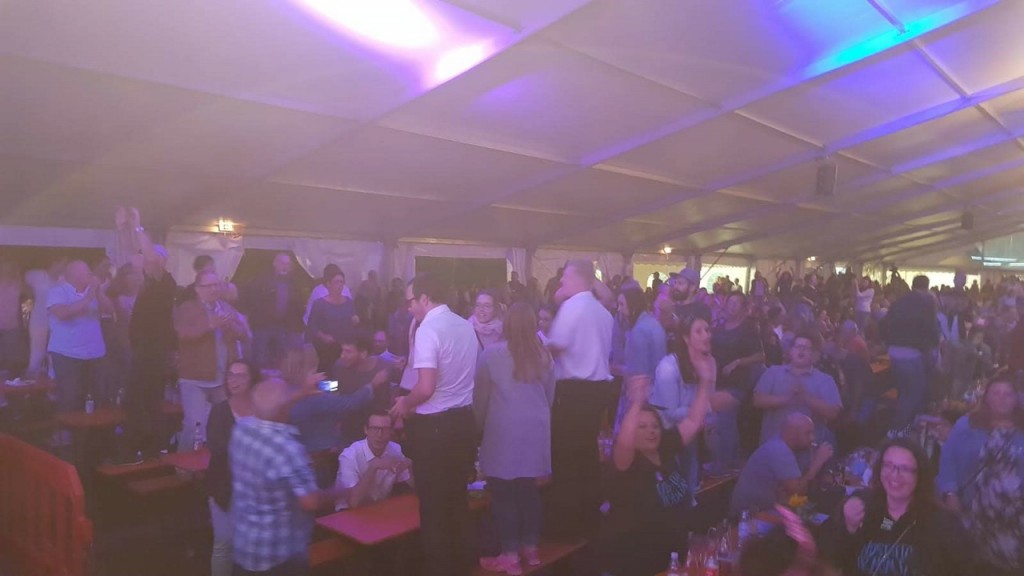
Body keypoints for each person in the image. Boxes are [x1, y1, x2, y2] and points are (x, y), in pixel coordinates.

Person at [388, 273, 479, 576]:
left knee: (434, 508)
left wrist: (405, 403)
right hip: (463, 422)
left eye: (411, 301)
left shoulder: (428, 329)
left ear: (425, 298)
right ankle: (463, 566)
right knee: (458, 500)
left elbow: (426, 388)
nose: (409, 307)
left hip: (436, 428)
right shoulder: (465, 325)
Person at [230, 377, 351, 576]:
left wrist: (300, 392)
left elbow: (270, 409)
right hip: (278, 557)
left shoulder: (241, 429)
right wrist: (342, 491)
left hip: (245, 548)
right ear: (285, 409)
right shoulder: (288, 449)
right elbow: (311, 502)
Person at [474, 302, 556, 575]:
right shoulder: (544, 356)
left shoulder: (491, 355)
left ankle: (509, 555)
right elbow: (550, 395)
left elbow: (481, 399)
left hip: (503, 430)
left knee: (503, 493)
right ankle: (530, 548)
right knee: (528, 489)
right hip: (536, 428)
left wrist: (478, 430)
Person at [604, 372, 711, 576]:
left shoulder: (665, 448)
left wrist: (705, 381)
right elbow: (624, 442)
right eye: (642, 427)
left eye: (655, 426)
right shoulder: (627, 462)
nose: (651, 431)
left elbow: (693, 421)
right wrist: (636, 402)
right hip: (637, 559)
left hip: (673, 552)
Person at [819, 438, 971, 576]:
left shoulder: (943, 523)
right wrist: (849, 528)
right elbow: (831, 559)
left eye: (905, 469)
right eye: (888, 466)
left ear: (920, 476)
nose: (894, 475)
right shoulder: (861, 506)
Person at [544, 260, 613, 541]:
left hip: (574, 391)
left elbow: (556, 345)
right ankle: (590, 521)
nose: (561, 281)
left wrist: (539, 342)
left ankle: (568, 528)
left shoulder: (573, 306)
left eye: (565, 276)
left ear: (579, 278)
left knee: (566, 459)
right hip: (597, 391)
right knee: (587, 456)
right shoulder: (603, 312)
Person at [938, 378, 1024, 575]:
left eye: (1008, 394)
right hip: (972, 515)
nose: (1002, 398)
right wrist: (949, 493)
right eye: (996, 393)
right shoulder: (967, 426)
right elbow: (948, 460)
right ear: (986, 398)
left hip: (1014, 521)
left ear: (1016, 400)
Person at [119, 216, 180, 462]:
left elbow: (149, 258)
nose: (142, 261)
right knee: (142, 399)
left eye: (148, 258)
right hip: (144, 350)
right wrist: (124, 229)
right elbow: (131, 254)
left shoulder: (165, 282)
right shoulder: (147, 284)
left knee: (144, 399)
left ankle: (145, 447)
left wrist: (137, 226)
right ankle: (149, 447)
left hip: (153, 351)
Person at [175, 270, 251, 453]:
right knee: (194, 425)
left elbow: (245, 336)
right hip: (194, 378)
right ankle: (183, 463)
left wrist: (232, 326)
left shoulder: (225, 307)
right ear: (197, 288)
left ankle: (215, 461)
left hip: (222, 378)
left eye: (216, 285)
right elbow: (183, 334)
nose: (213, 289)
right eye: (208, 286)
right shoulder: (187, 308)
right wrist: (210, 326)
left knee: (223, 424)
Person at [206, 359, 257, 576]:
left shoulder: (260, 409)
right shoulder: (219, 411)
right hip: (224, 485)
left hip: (254, 488)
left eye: (240, 375)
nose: (234, 380)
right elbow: (217, 447)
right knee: (224, 543)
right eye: (230, 375)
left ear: (252, 379)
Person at [730, 413, 834, 516]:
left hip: (768, 508)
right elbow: (797, 492)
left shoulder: (787, 444)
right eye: (807, 433)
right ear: (792, 434)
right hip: (749, 515)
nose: (812, 438)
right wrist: (818, 461)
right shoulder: (779, 451)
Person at [47, 259, 113, 416]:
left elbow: (110, 310)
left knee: (96, 397)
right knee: (70, 398)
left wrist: (98, 292)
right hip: (67, 354)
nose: (90, 274)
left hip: (95, 353)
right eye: (86, 271)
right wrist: (88, 299)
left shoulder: (93, 292)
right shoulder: (58, 292)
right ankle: (66, 430)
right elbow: (62, 313)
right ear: (73, 275)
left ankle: (93, 430)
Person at [753, 333, 842, 446]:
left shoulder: (825, 380)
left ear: (814, 354)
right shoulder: (773, 372)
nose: (801, 350)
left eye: (806, 348)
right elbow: (757, 401)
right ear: (790, 351)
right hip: (773, 446)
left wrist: (806, 397)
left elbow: (833, 413)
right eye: (798, 346)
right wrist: (787, 398)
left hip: (809, 448)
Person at [711, 292, 765, 470]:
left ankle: (725, 463)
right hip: (717, 380)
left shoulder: (748, 329)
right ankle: (726, 460)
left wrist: (738, 362)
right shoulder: (719, 325)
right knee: (719, 419)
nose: (731, 306)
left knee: (724, 415)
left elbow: (760, 356)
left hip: (738, 382)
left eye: (736, 303)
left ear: (743, 308)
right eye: (730, 302)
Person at [879, 275, 939, 431]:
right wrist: (934, 345)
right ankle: (897, 430)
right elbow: (931, 328)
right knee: (914, 393)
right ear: (927, 287)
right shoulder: (926, 302)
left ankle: (905, 428)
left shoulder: (899, 302)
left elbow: (883, 324)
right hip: (912, 352)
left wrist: (888, 342)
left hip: (894, 351)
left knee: (904, 391)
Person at [335, 410, 413, 510]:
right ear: (366, 430)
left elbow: (412, 488)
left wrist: (410, 467)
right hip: (347, 512)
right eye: (375, 429)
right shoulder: (349, 456)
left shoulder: (395, 449)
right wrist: (373, 467)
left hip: (380, 508)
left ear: (391, 431)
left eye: (385, 429)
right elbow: (353, 502)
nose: (379, 435)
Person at [241, 252, 306, 370]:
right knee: (260, 358)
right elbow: (251, 300)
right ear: (275, 263)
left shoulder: (293, 284)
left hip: (282, 327)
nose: (284, 266)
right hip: (262, 326)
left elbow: (298, 305)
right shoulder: (262, 280)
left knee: (281, 359)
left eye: (287, 264)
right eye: (282, 263)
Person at [330, 333, 394, 446]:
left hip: (376, 432)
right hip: (348, 431)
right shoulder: (339, 366)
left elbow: (394, 395)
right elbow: (333, 391)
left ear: (363, 353)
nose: (342, 356)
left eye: (348, 352)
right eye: (342, 350)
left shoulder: (384, 367)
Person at [305, 268, 358, 373]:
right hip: (326, 349)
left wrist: (355, 320)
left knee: (344, 374)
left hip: (344, 348)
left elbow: (353, 319)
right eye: (337, 282)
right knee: (328, 375)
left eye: (342, 282)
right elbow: (311, 326)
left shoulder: (348, 302)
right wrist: (323, 336)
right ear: (328, 284)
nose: (340, 285)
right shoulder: (320, 304)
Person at [24, 257, 66, 377]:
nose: (64, 266)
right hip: (38, 321)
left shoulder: (63, 280)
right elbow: (22, 283)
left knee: (55, 353)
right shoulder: (37, 275)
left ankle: (53, 382)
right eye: (63, 263)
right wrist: (29, 297)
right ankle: (31, 381)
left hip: (57, 323)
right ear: (54, 262)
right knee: (37, 353)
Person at [0, 260, 25, 378]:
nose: (6, 270)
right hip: (8, 325)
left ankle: (9, 382)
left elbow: (27, 297)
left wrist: (18, 274)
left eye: (9, 267)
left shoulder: (17, 284)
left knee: (11, 356)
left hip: (12, 326)